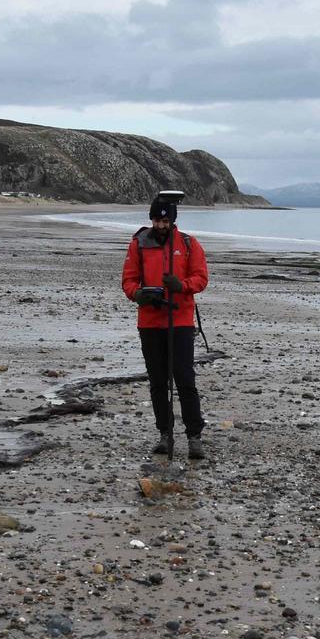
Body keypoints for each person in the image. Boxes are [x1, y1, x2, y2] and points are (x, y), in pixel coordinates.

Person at [121, 191, 209, 459]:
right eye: (156, 221)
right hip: (149, 321)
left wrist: (181, 286)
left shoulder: (188, 243)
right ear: (151, 220)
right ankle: (165, 434)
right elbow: (128, 280)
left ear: (172, 221)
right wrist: (138, 294)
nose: (160, 225)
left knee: (185, 379)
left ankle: (194, 436)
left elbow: (201, 279)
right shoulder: (138, 243)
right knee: (158, 382)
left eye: (165, 221)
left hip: (180, 321)